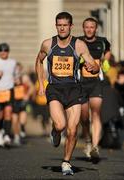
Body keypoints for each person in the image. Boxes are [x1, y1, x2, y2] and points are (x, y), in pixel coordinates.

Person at [35, 12, 99, 175]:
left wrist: (95, 68)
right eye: (59, 25)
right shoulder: (48, 44)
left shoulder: (79, 45)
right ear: (56, 25)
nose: (62, 28)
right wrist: (41, 84)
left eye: (65, 25)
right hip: (55, 88)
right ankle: (55, 131)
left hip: (74, 89)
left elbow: (93, 63)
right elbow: (39, 60)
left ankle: (66, 162)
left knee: (72, 129)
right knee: (61, 125)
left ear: (71, 26)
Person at [78, 17, 111, 162]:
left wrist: (105, 63)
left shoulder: (102, 42)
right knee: (84, 117)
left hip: (97, 82)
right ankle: (87, 141)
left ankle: (95, 146)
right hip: (81, 83)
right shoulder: (78, 42)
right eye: (87, 27)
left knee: (96, 113)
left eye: (92, 27)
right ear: (83, 28)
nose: (89, 29)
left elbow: (107, 54)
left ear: (96, 29)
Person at [0, 42, 17, 147]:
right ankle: (0, 132)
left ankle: (7, 135)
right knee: (0, 114)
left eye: (6, 50)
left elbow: (16, 74)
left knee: (8, 112)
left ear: (8, 52)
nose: (4, 53)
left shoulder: (13, 62)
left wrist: (17, 79)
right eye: (2, 50)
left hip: (9, 89)